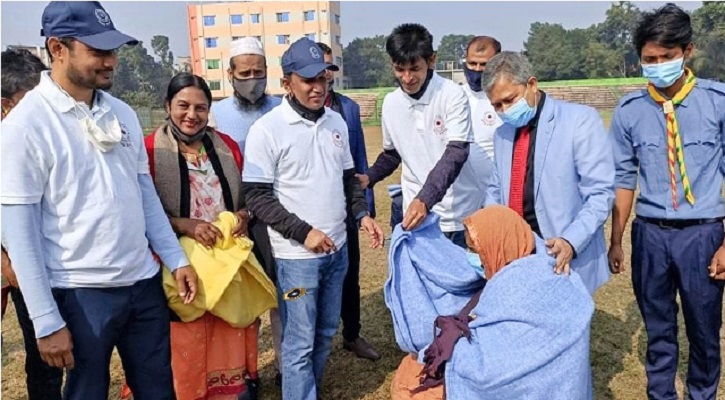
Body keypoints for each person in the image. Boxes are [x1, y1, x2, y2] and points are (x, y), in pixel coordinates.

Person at [0, 2, 197, 399]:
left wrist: (175, 259)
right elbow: (18, 232)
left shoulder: (120, 113)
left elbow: (143, 195)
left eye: (113, 51)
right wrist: (45, 319)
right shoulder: (26, 125)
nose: (111, 62)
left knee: (159, 389)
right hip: (79, 290)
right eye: (98, 52)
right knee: (87, 391)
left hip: (141, 284)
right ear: (57, 49)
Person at [242, 38, 384, 400]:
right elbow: (256, 196)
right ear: (287, 82)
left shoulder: (336, 121)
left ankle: (310, 391)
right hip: (297, 259)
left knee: (324, 333)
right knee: (299, 342)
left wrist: (361, 214)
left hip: (336, 253)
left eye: (323, 78)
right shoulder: (268, 129)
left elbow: (348, 179)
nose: (318, 87)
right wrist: (304, 233)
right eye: (308, 80)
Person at [609, 4, 725, 399]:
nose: (658, 66)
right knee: (658, 328)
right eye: (649, 59)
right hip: (650, 236)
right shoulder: (630, 112)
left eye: (666, 57)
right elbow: (624, 178)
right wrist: (616, 238)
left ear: (687, 52)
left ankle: (702, 394)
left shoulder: (717, 103)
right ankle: (661, 394)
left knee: (704, 330)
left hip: (703, 234)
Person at [144, 72, 267, 400]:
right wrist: (185, 225)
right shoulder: (151, 149)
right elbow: (142, 210)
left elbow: (247, 198)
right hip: (178, 261)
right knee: (188, 331)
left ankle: (234, 390)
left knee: (230, 324)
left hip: (227, 261)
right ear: (168, 105)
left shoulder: (225, 147)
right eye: (183, 105)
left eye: (200, 107)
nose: (191, 114)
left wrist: (243, 215)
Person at [483, 51, 613, 295]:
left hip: (563, 253)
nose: (504, 110)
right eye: (497, 105)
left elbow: (600, 194)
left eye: (510, 100)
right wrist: (488, 233)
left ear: (532, 84)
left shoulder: (580, 121)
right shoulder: (502, 134)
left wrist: (571, 241)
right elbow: (495, 189)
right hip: (518, 256)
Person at [357, 23, 492, 249]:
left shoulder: (452, 95)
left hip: (460, 215)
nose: (407, 78)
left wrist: (425, 199)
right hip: (418, 217)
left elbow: (456, 153)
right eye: (400, 69)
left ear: (431, 61)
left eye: (414, 69)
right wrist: (369, 177)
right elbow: (392, 155)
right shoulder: (391, 103)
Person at [209, 35, 285, 387]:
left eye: (258, 72)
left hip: (279, 219)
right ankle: (244, 372)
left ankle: (286, 367)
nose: (252, 79)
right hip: (237, 223)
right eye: (244, 73)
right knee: (243, 300)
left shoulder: (282, 109)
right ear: (230, 75)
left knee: (283, 295)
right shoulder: (216, 114)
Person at [1, 47, 64, 400]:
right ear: (5, 104)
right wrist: (6, 263)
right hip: (19, 267)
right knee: (43, 357)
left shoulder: (46, 136)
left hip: (54, 262)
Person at [316, 41, 380, 361]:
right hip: (309, 213)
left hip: (345, 210)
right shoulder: (283, 111)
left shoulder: (349, 109)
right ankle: (315, 342)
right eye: (319, 67)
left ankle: (352, 334)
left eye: (329, 67)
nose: (325, 74)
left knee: (350, 275)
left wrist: (364, 211)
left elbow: (359, 163)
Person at [461, 36, 502, 159]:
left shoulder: (507, 100)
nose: (477, 70)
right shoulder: (454, 96)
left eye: (484, 64)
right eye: (472, 63)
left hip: (496, 177)